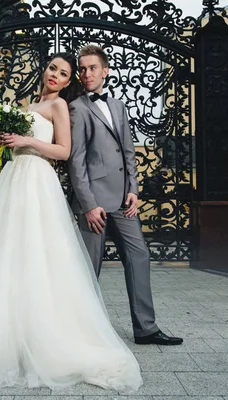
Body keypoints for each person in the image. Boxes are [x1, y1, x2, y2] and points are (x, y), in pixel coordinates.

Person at [0, 53, 142, 392]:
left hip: (37, 179)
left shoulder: (61, 106)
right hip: (14, 179)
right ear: (44, 70)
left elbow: (64, 150)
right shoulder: (28, 104)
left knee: (38, 252)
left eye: (63, 73)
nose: (56, 76)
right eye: (52, 69)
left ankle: (46, 334)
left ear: (67, 81)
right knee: (8, 255)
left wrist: (27, 141)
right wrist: (9, 146)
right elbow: (16, 145)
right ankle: (9, 334)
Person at [67, 45, 183, 346]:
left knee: (139, 254)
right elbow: (76, 160)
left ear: (105, 70)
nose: (86, 73)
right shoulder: (77, 108)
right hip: (93, 204)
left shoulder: (118, 106)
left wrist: (134, 189)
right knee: (89, 268)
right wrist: (89, 205)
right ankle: (81, 333)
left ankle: (145, 328)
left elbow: (128, 151)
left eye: (92, 68)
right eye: (82, 69)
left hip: (123, 200)